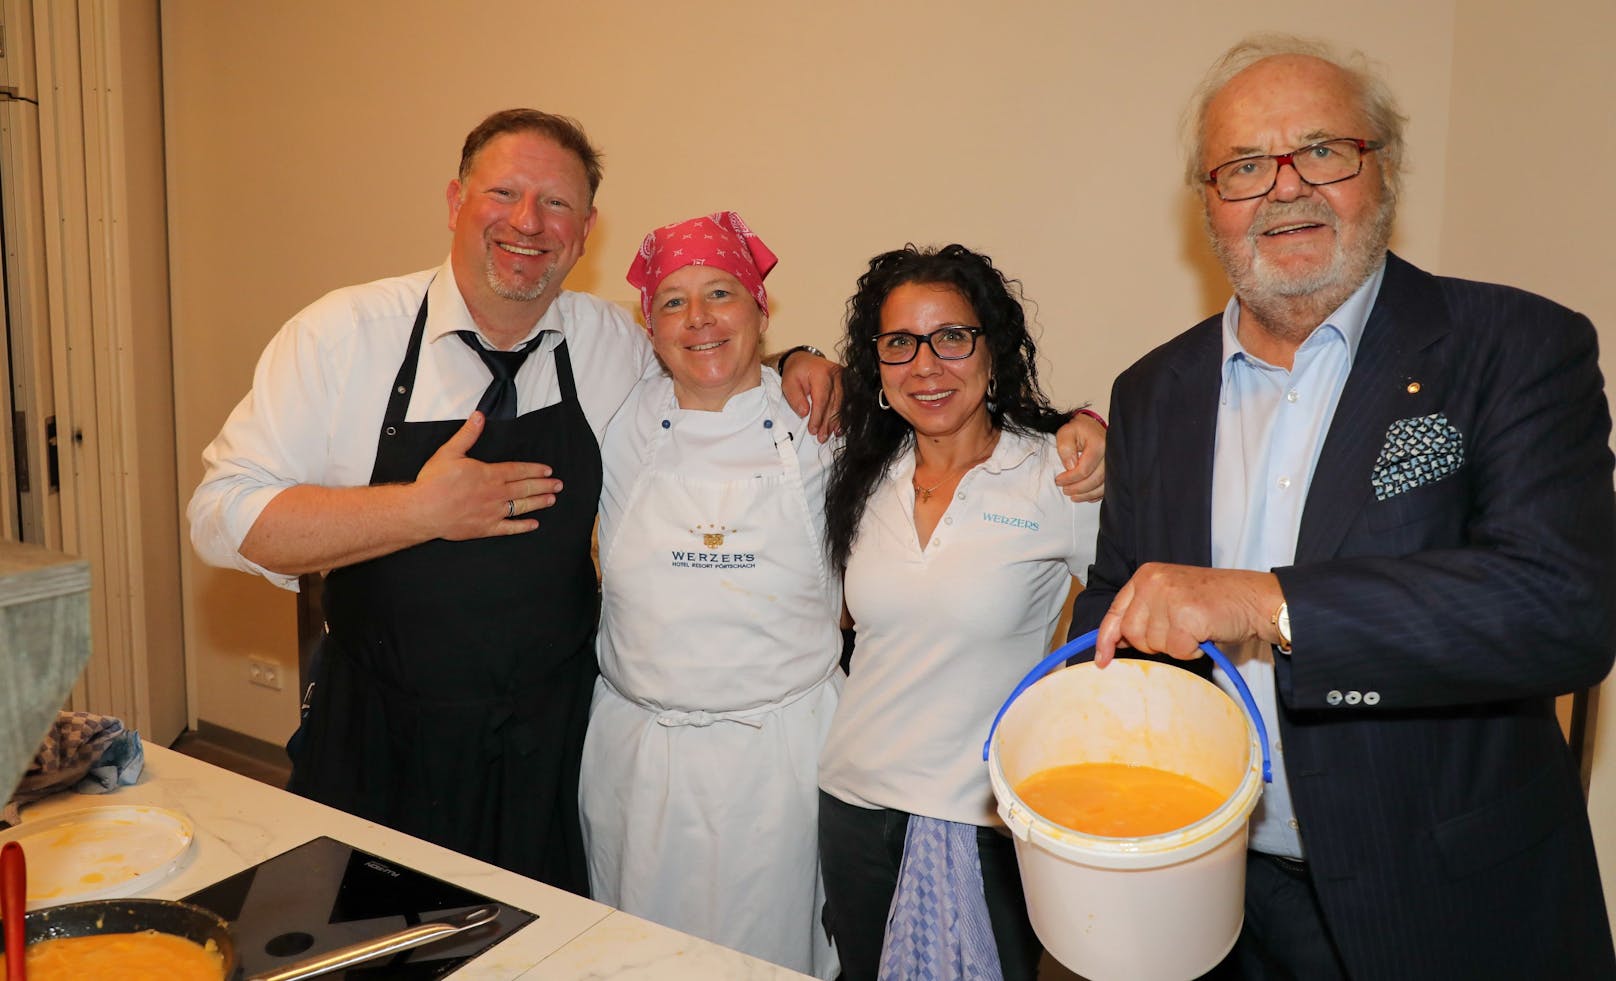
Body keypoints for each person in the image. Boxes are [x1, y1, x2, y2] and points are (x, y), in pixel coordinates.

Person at [1069, 34, 1616, 980]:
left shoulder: (1515, 345)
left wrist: (1266, 602)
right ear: (1208, 205)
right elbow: (1121, 593)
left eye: (1322, 150)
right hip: (1209, 896)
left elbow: (1563, 610)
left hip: (1447, 903)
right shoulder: (1152, 389)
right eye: (1244, 166)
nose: (1285, 188)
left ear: (1384, 169)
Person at [186, 110, 840, 895]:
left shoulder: (613, 344)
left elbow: (712, 352)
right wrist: (419, 511)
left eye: (557, 203)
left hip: (551, 748)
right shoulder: (342, 337)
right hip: (382, 738)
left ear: (587, 229)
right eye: (504, 192)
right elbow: (221, 518)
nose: (529, 222)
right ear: (456, 200)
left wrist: (800, 360)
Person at [579, 216, 1108, 977]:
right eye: (673, 302)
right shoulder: (621, 416)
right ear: (647, 325)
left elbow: (1126, 594)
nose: (699, 320)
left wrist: (1087, 428)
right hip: (654, 760)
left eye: (722, 293)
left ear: (762, 307)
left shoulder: (823, 431)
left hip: (789, 762)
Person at [817, 244, 1102, 981]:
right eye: (898, 343)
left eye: (951, 337)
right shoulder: (861, 476)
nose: (925, 365)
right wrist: (792, 358)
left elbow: (1129, 623)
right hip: (851, 804)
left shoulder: (1056, 476)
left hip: (984, 822)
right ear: (875, 363)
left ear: (991, 348)